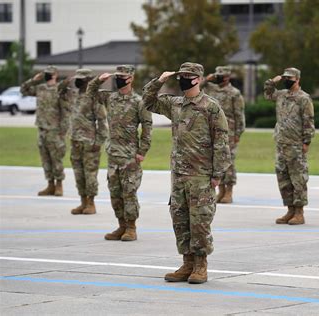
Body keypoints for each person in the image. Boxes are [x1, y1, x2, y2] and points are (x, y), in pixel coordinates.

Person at [143, 62, 230, 284]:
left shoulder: (210, 107)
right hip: (179, 175)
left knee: (200, 222)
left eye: (188, 76)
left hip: (201, 176)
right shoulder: (176, 104)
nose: (183, 79)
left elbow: (221, 142)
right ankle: (187, 263)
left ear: (198, 79)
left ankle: (201, 265)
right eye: (181, 76)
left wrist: (217, 174)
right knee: (180, 220)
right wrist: (160, 80)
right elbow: (148, 101)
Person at [87, 65, 152, 241]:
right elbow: (90, 92)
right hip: (113, 154)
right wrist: (99, 80)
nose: (119, 79)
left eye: (122, 76)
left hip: (130, 156)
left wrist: (142, 151)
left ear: (131, 78)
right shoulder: (111, 98)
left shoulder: (139, 101)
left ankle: (131, 227)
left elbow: (147, 127)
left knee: (129, 193)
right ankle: (121, 225)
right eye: (117, 76)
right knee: (114, 193)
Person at [263, 67, 315, 225]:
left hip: (296, 144)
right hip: (281, 143)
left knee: (298, 178)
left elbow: (309, 121)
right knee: (283, 178)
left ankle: (299, 212)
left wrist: (306, 141)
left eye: (290, 78)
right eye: (285, 78)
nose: (287, 80)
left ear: (297, 79)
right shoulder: (281, 95)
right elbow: (268, 94)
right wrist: (272, 81)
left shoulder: (304, 98)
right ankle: (290, 209)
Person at [21, 65, 70, 196]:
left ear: (56, 74)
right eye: (46, 73)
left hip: (55, 130)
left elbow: (65, 112)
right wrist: (34, 80)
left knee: (56, 158)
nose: (48, 75)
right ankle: (50, 185)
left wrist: (63, 131)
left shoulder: (60, 90)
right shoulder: (40, 88)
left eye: (50, 73)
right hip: (42, 129)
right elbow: (23, 90)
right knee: (45, 159)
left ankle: (59, 185)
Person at [201, 66, 245, 203]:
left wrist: (238, 133)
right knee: (216, 161)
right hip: (212, 130)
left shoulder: (234, 93)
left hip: (229, 132)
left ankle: (229, 191)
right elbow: (196, 88)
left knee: (228, 161)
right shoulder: (211, 88)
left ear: (227, 77)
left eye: (221, 75)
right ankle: (221, 191)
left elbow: (239, 115)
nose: (218, 77)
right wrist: (206, 79)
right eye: (217, 75)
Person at [68, 68, 108, 215]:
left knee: (90, 173)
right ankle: (83, 202)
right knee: (78, 173)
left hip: (90, 142)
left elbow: (102, 121)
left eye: (82, 79)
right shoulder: (75, 95)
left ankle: (91, 203)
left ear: (88, 80)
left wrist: (99, 141)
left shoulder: (94, 97)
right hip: (75, 141)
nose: (78, 81)